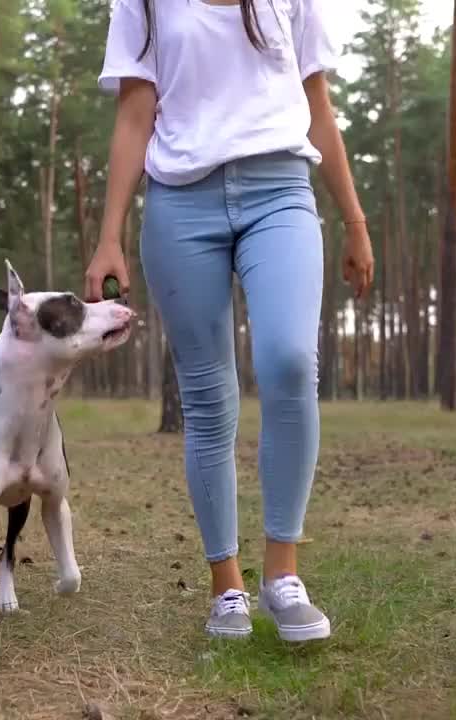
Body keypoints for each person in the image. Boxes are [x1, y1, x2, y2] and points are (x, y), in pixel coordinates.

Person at [84, 0, 373, 642]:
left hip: (281, 190)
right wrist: (109, 236)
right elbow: (135, 116)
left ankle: (283, 577)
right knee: (209, 400)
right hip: (181, 205)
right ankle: (228, 589)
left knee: (289, 361)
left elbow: (318, 107)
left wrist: (353, 220)